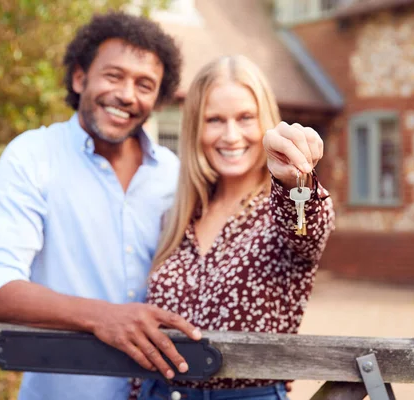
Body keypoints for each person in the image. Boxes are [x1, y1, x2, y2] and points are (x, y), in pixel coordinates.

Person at [0, 12, 202, 400]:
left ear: (157, 99)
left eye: (145, 84)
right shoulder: (33, 157)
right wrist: (103, 316)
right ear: (80, 78)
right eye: (114, 76)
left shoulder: (174, 176)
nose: (127, 95)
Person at [132, 55, 335, 400]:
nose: (231, 135)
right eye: (214, 120)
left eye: (245, 118)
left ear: (265, 123)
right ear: (196, 127)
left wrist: (292, 179)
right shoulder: (179, 215)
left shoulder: (284, 207)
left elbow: (307, 230)